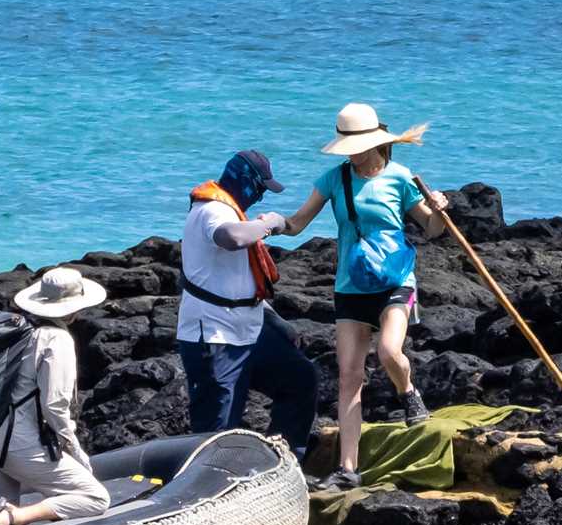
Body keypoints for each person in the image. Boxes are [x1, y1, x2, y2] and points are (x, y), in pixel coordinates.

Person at [275, 104, 450, 491]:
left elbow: (433, 229)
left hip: (395, 281)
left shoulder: (400, 178)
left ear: (375, 143)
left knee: (389, 352)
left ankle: (409, 393)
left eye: (357, 144)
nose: (352, 152)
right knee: (349, 379)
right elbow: (298, 222)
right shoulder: (334, 179)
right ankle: (348, 469)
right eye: (347, 145)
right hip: (350, 286)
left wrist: (438, 210)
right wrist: (268, 225)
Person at [176, 148, 318, 460]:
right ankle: (206, 488)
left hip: (251, 328)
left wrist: (279, 323)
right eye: (261, 189)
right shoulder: (212, 209)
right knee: (218, 427)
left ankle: (282, 458)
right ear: (247, 182)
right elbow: (232, 237)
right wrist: (270, 224)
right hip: (214, 336)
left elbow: (242, 284)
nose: (262, 198)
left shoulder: (231, 210)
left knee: (300, 379)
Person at [0, 266, 110, 525]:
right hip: (14, 445)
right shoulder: (56, 338)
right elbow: (54, 405)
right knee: (95, 497)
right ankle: (13, 517)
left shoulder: (8, 330)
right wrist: (74, 449)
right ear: (75, 308)